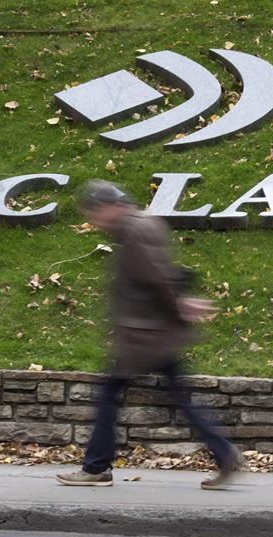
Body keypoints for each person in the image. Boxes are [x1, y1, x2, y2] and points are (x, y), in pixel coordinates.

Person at [56, 179, 242, 490]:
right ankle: (224, 453)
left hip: (142, 335)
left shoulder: (133, 231)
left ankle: (96, 468)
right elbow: (164, 272)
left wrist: (180, 304)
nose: (93, 221)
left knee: (107, 397)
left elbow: (156, 277)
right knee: (180, 398)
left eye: (94, 213)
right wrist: (180, 303)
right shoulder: (143, 224)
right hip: (154, 332)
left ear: (110, 207)